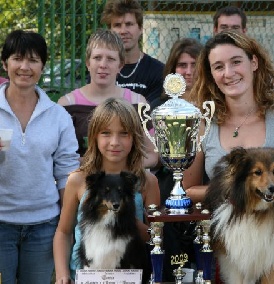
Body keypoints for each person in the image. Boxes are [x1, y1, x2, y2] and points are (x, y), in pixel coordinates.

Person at [182, 30, 274, 222]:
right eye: (218, 66)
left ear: (254, 63)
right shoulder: (202, 123)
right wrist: (236, 191)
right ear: (211, 74)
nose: (229, 73)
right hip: (224, 235)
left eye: (236, 62)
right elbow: (187, 190)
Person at [0, 30, 80, 284]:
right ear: (5, 64)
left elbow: (67, 173)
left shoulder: (58, 116)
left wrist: (66, 227)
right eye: (17, 58)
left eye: (33, 60)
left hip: (44, 226)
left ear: (43, 66)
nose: (25, 67)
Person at [53, 98, 160, 283]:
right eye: (106, 133)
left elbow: (155, 237)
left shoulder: (146, 181)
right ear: (94, 136)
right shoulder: (78, 180)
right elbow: (64, 232)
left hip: (129, 275)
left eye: (124, 134)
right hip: (86, 275)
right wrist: (62, 275)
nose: (114, 142)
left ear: (135, 137)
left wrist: (124, 218)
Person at [58, 29, 158, 168]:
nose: (103, 65)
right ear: (88, 63)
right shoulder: (67, 105)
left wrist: (119, 167)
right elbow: (61, 158)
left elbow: (152, 155)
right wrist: (98, 166)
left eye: (110, 59)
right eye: (97, 58)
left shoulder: (138, 103)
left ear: (120, 65)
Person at [150, 37, 203, 281]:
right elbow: (153, 153)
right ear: (172, 69)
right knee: (172, 255)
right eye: (182, 65)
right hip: (168, 188)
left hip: (206, 188)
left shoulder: (216, 105)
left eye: (195, 64)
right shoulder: (160, 107)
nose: (189, 72)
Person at [101, 0, 164, 104]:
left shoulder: (158, 71)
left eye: (129, 24)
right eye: (117, 25)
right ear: (110, 31)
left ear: (140, 28)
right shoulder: (101, 70)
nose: (123, 31)